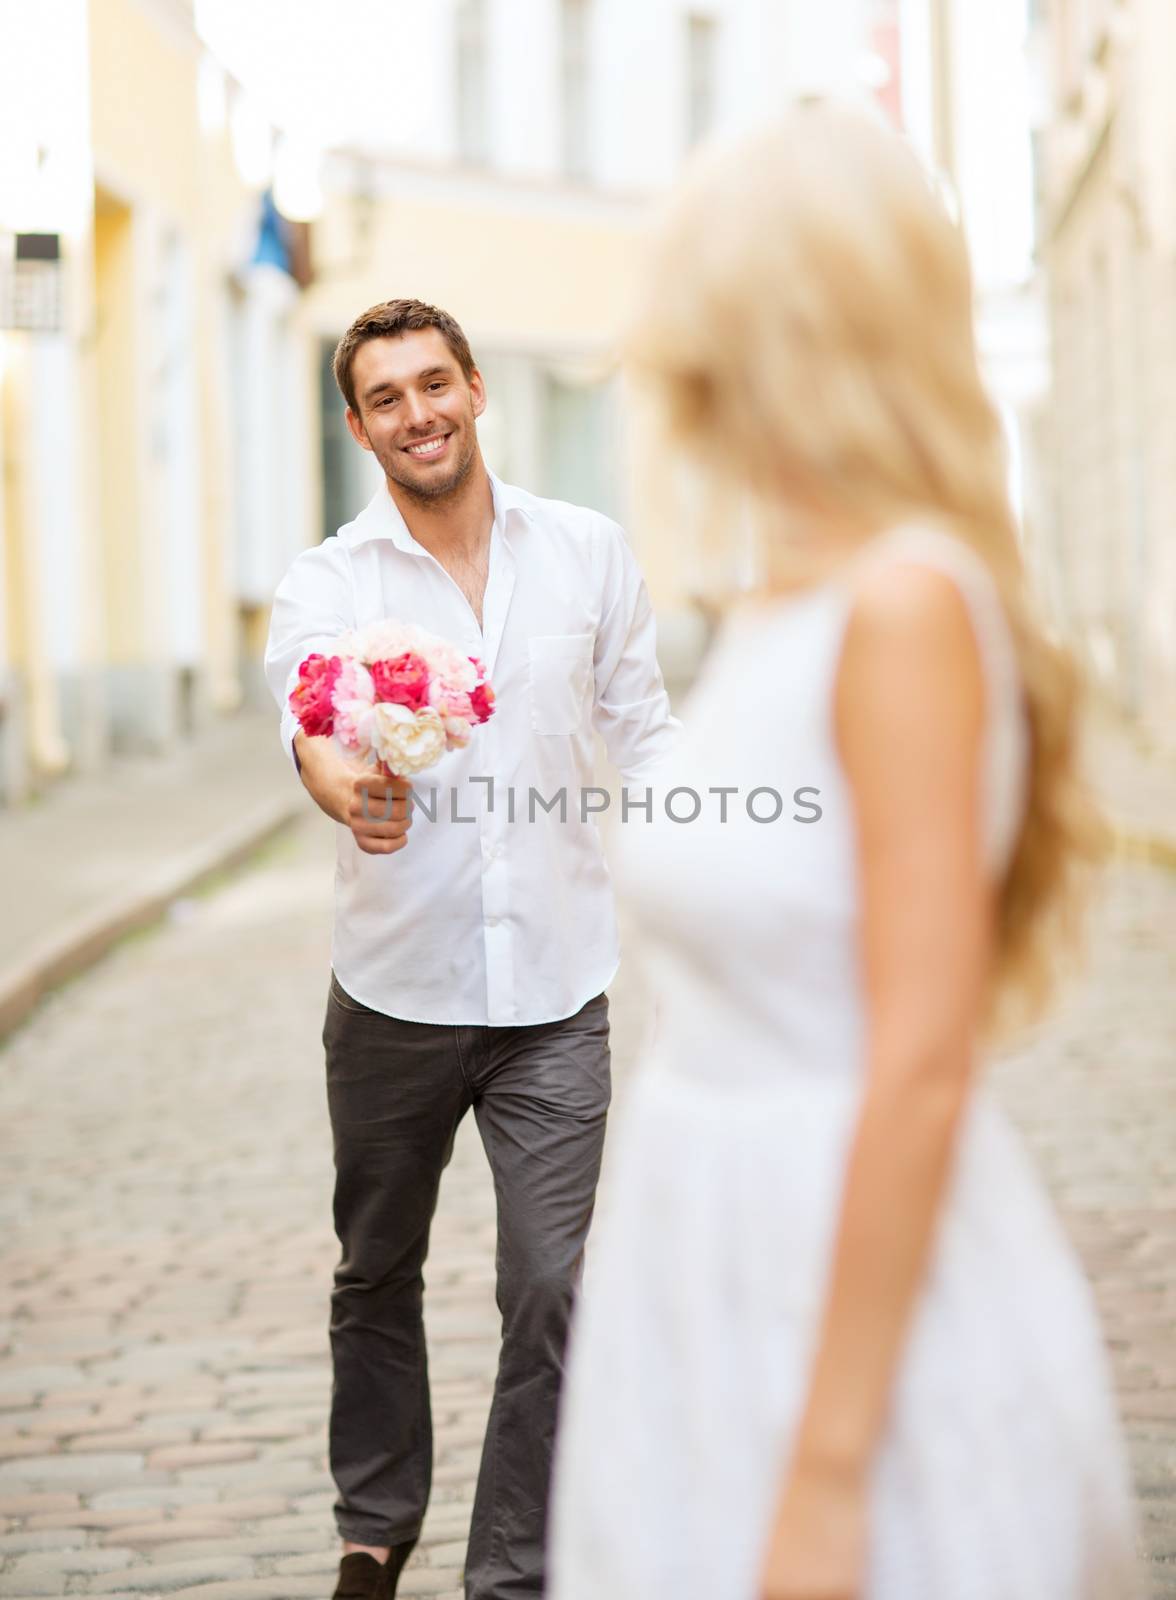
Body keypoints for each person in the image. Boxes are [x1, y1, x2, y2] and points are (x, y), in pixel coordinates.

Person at [546, 107, 1139, 1600]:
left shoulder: (906, 609)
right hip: (703, 1263)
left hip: (843, 1292)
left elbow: (925, 1055)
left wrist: (822, 1472)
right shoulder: (777, 606)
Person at [263, 298, 679, 1600]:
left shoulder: (589, 553)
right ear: (358, 427)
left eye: (433, 384)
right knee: (375, 1268)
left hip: (559, 989)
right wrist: (349, 793)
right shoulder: (331, 584)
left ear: (477, 389)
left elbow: (646, 733)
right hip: (396, 991)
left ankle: (510, 1574)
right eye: (386, 398)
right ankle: (375, 1522)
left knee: (551, 1289)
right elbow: (315, 731)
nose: (417, 413)